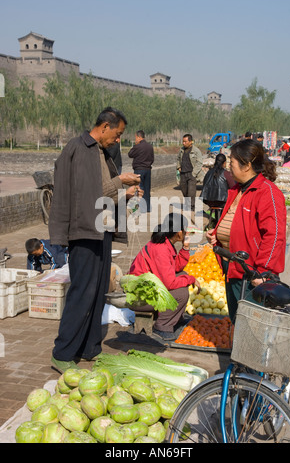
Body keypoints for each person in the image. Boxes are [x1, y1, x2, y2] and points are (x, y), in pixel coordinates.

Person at [49, 106, 142, 373]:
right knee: (82, 291)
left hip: (101, 229)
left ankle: (90, 347)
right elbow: (87, 194)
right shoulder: (79, 149)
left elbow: (104, 195)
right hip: (84, 230)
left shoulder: (101, 152)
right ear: (104, 127)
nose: (118, 139)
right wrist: (119, 181)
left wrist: (125, 191)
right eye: (117, 133)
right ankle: (62, 352)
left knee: (98, 290)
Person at [206, 138, 286, 323]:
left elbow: (275, 237)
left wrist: (263, 272)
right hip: (232, 267)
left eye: (232, 163)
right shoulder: (237, 189)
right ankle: (239, 350)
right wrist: (217, 234)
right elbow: (236, 220)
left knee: (251, 324)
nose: (229, 168)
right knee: (237, 319)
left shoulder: (267, 193)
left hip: (252, 274)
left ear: (246, 165)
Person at [128, 213, 200, 341]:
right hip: (138, 297)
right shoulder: (161, 249)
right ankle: (162, 326)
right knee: (181, 294)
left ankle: (175, 318)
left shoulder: (166, 243)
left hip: (148, 289)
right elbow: (169, 284)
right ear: (179, 233)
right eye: (185, 231)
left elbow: (176, 268)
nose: (186, 234)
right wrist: (191, 280)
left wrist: (185, 247)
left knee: (183, 275)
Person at [201, 154, 235, 224]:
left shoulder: (208, 173)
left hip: (208, 200)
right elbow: (233, 187)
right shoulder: (226, 174)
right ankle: (223, 222)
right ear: (224, 163)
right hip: (221, 202)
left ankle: (216, 221)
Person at [176, 134, 203, 215]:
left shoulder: (196, 151)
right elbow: (178, 159)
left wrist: (194, 173)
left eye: (185, 141)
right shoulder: (181, 150)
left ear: (190, 142)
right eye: (183, 141)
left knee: (191, 191)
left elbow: (199, 162)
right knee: (184, 190)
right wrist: (178, 167)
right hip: (183, 174)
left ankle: (191, 207)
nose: (183, 143)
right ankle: (188, 205)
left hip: (192, 174)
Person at [128, 130, 154, 212]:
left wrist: (135, 145)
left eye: (136, 138)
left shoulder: (138, 146)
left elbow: (130, 154)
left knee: (139, 189)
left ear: (139, 137)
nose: (135, 139)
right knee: (147, 189)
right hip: (148, 170)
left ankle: (140, 208)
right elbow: (152, 158)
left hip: (139, 170)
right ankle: (148, 208)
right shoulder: (150, 146)